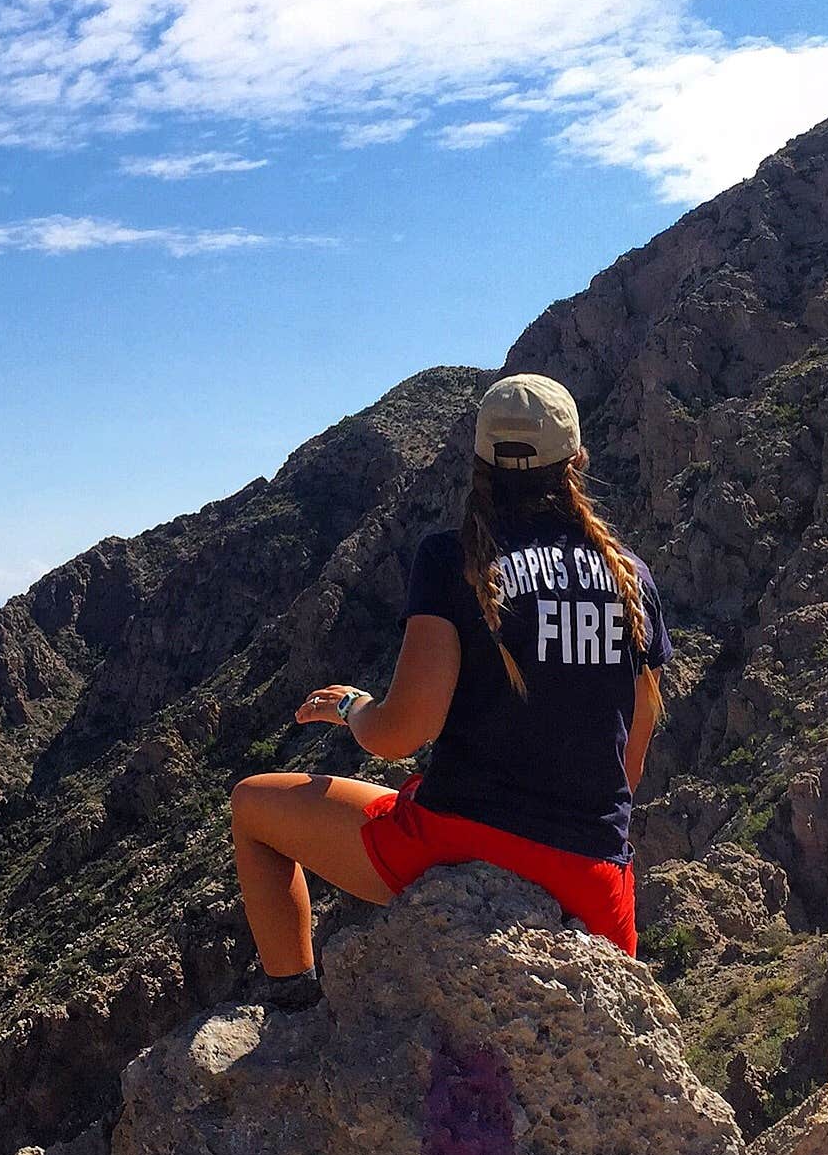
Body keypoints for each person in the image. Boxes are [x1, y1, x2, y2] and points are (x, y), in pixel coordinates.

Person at [228, 373, 669, 1010]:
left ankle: (292, 1010)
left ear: (479, 462)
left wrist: (353, 710)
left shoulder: (450, 559)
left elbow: (405, 732)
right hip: (594, 879)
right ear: (578, 460)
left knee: (251, 807)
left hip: (459, 839)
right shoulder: (632, 578)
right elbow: (634, 746)